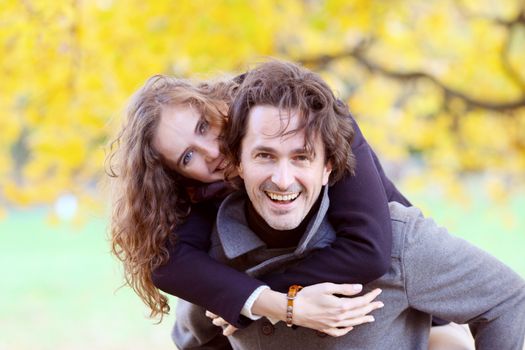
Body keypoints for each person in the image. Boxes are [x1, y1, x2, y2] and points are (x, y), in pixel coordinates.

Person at [173, 60, 525, 349]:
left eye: (301, 157)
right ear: (238, 163)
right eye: (264, 155)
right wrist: (258, 302)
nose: (282, 178)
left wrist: (274, 301)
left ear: (328, 167)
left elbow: (507, 300)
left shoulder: (400, 243)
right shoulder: (213, 264)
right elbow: (197, 339)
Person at [107, 64, 468, 344]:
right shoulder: (198, 188)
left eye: (204, 126)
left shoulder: (308, 113)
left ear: (210, 99)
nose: (212, 152)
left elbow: (368, 250)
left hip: (405, 307)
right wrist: (274, 305)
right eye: (188, 157)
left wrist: (253, 299)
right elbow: (165, 263)